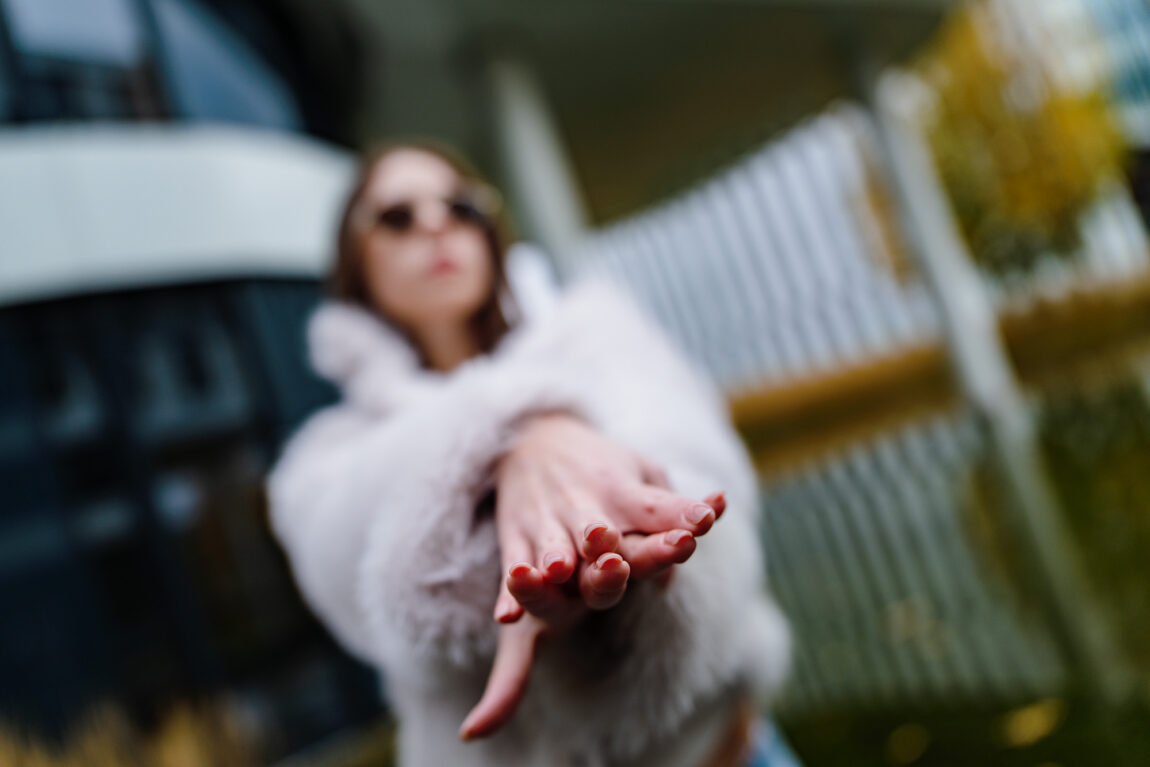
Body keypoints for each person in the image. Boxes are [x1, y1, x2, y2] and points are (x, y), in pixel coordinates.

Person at [265, 140, 798, 766]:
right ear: (355, 262)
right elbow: (349, 581)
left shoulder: (595, 331)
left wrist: (558, 462)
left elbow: (705, 479)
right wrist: (518, 438)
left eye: (461, 207)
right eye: (397, 217)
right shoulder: (325, 456)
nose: (436, 225)